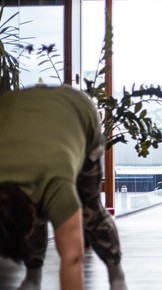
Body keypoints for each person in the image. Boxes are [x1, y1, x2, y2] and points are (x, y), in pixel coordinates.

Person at [0, 85, 127, 290]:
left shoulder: (57, 184)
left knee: (90, 210)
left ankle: (116, 275)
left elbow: (73, 259)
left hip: (77, 108)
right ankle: (33, 278)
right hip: (13, 103)